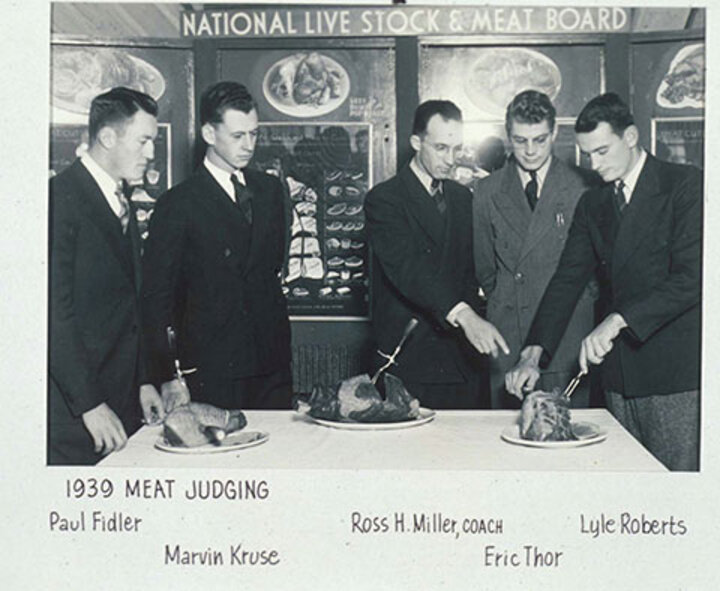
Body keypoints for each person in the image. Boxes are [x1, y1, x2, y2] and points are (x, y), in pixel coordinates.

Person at [506, 93, 702, 471]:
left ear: (630, 137)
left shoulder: (685, 185)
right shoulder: (593, 204)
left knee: (673, 488)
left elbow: (692, 279)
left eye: (602, 151)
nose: (594, 165)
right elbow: (567, 280)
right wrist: (533, 353)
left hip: (672, 374)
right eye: (587, 155)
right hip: (616, 374)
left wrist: (617, 319)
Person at [141, 81, 292, 411]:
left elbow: (270, 270)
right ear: (209, 134)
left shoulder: (269, 190)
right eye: (238, 136)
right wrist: (168, 373)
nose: (249, 145)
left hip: (272, 359)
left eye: (254, 134)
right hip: (213, 366)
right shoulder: (177, 204)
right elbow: (157, 297)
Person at [364, 100, 508, 409]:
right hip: (410, 357)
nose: (451, 160)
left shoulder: (461, 197)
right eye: (441, 148)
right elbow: (409, 268)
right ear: (416, 142)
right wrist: (465, 315)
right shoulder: (385, 199)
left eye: (457, 149)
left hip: (463, 357)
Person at [48, 87, 163, 465]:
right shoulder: (58, 199)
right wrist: (90, 404)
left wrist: (143, 380)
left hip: (121, 400)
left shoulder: (119, 198)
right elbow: (52, 314)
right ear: (108, 137)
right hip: (76, 415)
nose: (151, 153)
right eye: (144, 141)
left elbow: (131, 303)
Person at [472, 90, 598, 409]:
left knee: (566, 437)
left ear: (555, 133)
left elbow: (595, 271)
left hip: (568, 337)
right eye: (520, 140)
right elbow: (486, 270)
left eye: (540, 140)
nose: (530, 151)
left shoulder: (585, 186)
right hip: (508, 337)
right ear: (507, 135)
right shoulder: (486, 191)